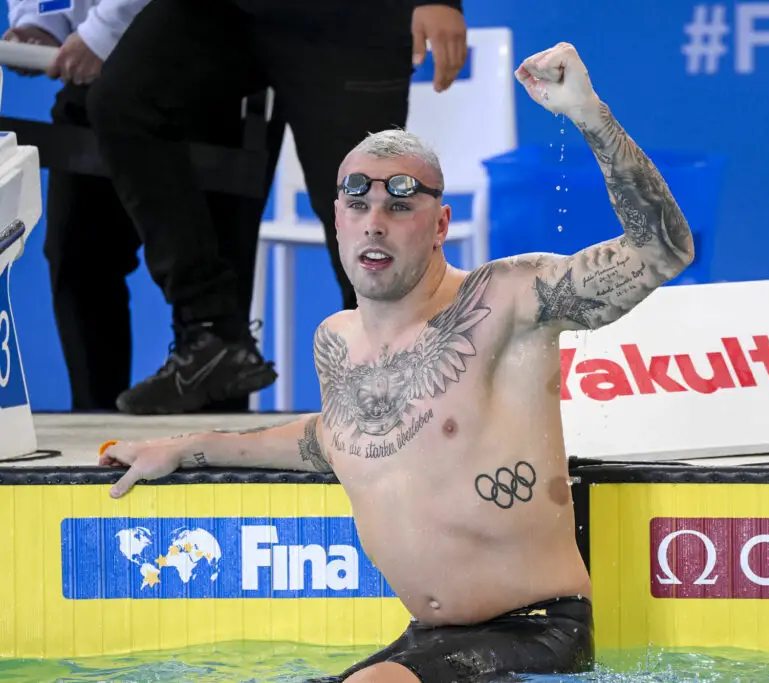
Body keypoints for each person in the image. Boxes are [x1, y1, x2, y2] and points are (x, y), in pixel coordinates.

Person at [98, 42, 696, 682]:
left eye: (400, 207)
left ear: (440, 225)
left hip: (536, 632)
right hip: (426, 643)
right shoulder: (336, 340)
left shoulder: (508, 300)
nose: (374, 224)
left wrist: (589, 115)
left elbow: (663, 250)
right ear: (337, 219)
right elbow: (330, 439)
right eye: (358, 206)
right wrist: (185, 448)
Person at [83, 0, 468, 415]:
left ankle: (389, 375)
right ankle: (211, 333)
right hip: (228, 12)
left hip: (350, 20)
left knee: (362, 194)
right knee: (124, 97)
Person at [3, 0, 281, 412]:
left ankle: (217, 432)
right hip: (97, 65)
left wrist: (100, 34)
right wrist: (41, 21)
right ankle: (93, 429)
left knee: (217, 319)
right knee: (79, 258)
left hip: (201, 61)